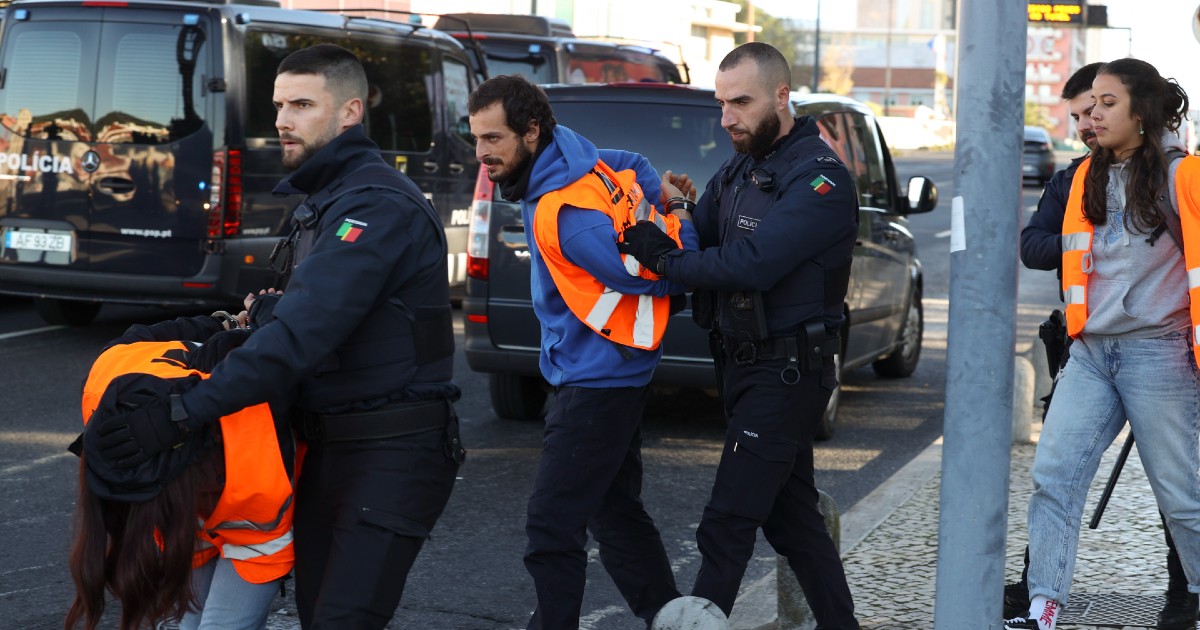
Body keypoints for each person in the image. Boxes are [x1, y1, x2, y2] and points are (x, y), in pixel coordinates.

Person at [92, 43, 464, 629]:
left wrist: (180, 413)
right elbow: (268, 315)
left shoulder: (374, 205)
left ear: (350, 112)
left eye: (302, 104)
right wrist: (187, 334)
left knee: (340, 620)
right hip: (326, 448)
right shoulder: (322, 200)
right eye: (278, 105)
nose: (283, 120)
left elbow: (296, 337)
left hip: (389, 453)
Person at [618, 42, 860, 627]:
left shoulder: (821, 179)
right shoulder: (741, 167)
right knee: (792, 520)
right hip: (743, 366)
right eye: (721, 103)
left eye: (740, 103)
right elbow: (698, 235)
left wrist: (664, 261)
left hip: (788, 373)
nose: (727, 118)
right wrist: (671, 212)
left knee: (726, 524)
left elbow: (751, 262)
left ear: (782, 96)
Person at [466, 73, 699, 629]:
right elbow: (638, 165)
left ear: (530, 132)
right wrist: (661, 198)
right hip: (614, 370)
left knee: (552, 527)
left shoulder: (566, 216)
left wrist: (680, 222)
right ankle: (672, 618)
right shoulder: (580, 155)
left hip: (596, 380)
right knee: (615, 512)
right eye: (475, 139)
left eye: (493, 140)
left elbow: (657, 275)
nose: (481, 154)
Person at [1004, 58, 1200, 630]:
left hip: (1157, 351)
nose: (1093, 113)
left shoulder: (1180, 176)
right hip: (1091, 351)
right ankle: (1043, 607)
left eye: (1107, 103)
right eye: (1090, 104)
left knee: (1183, 497)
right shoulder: (1083, 175)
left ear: (1142, 113)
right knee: (1054, 478)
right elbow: (1044, 247)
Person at [66, 308, 295, 630]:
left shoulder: (253, 424)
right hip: (198, 496)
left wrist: (267, 322)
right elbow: (141, 337)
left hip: (253, 516)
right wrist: (224, 321)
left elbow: (288, 347)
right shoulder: (105, 385)